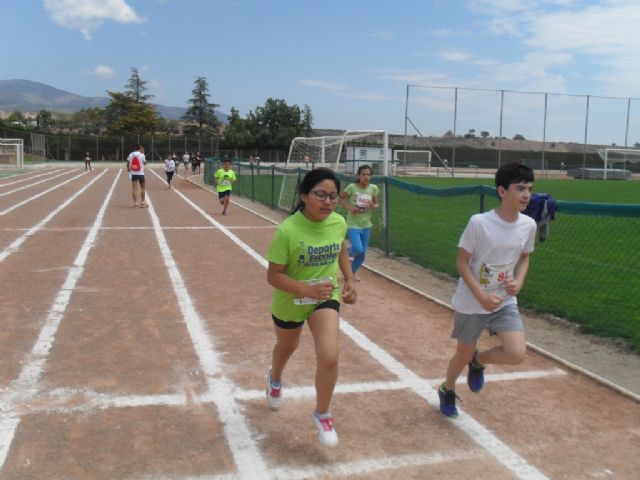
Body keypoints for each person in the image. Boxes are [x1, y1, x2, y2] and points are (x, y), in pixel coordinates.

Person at [265, 167, 357, 447]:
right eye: (321, 195)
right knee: (287, 347)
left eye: (332, 196)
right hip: (291, 299)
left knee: (329, 356)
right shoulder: (288, 230)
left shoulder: (338, 222)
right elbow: (274, 275)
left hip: (324, 297)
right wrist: (306, 289)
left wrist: (350, 279)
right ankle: (275, 378)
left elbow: (341, 250)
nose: (328, 202)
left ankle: (323, 413)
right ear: (304, 195)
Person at [438, 162, 537, 418]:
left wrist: (519, 281)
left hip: (503, 300)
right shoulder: (479, 223)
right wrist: (481, 295)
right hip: (473, 301)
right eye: (520, 188)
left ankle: (479, 361)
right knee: (462, 354)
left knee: (516, 353)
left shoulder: (528, 225)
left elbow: (525, 257)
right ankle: (447, 388)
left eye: (529, 189)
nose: (526, 194)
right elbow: (462, 262)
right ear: (502, 191)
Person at [338, 164, 380, 282]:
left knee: (361, 256)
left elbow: (377, 203)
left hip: (366, 225)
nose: (366, 177)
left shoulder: (373, 188)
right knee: (358, 248)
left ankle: (350, 274)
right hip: (353, 224)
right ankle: (342, 253)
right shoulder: (352, 187)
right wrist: (350, 208)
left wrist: (373, 205)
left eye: (368, 174)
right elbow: (340, 198)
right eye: (363, 174)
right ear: (359, 175)